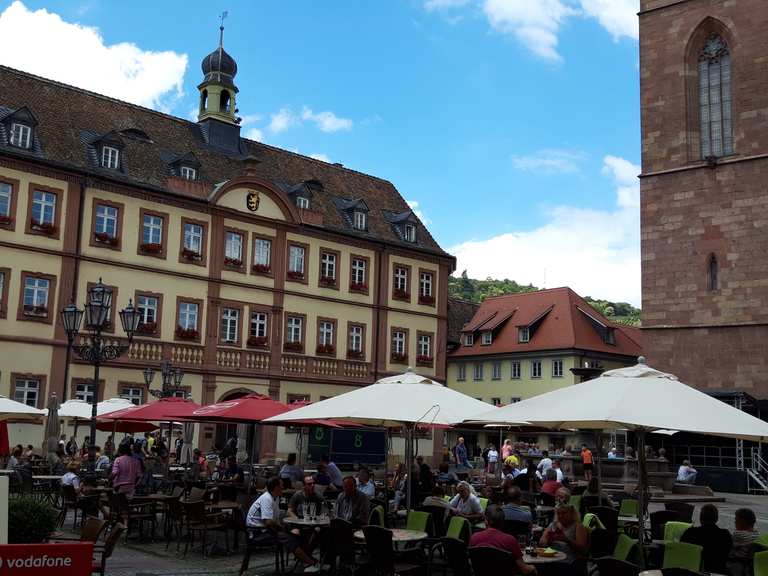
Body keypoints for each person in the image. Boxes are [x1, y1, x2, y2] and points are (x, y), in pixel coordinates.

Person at [246, 477, 320, 572]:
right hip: (256, 533)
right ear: (276, 487)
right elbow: (268, 522)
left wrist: (284, 527)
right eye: (282, 485)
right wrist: (281, 528)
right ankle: (310, 562)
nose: (283, 487)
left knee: (296, 534)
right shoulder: (267, 498)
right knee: (286, 537)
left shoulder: (274, 497)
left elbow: (274, 520)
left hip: (265, 530)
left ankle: (307, 560)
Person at [470, 505, 537, 574]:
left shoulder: (474, 538)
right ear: (503, 522)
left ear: (486, 521)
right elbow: (524, 570)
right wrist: (532, 567)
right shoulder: (510, 540)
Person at [681, 504, 733, 575]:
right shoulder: (725, 535)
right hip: (718, 572)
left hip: (693, 571)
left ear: (700, 518)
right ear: (716, 518)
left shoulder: (690, 533)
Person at [729, 507, 759, 576]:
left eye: (736, 519)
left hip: (736, 568)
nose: (735, 522)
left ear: (742, 521)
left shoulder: (738, 535)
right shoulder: (757, 535)